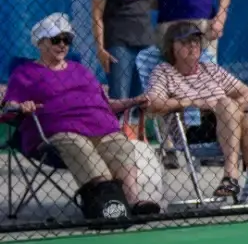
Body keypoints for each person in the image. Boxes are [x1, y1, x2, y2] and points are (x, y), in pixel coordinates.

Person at [3, 14, 157, 221]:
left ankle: (132, 201)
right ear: (40, 43)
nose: (62, 45)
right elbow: (9, 106)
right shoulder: (25, 73)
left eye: (67, 40)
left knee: (120, 144)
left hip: (101, 127)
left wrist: (133, 100)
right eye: (56, 40)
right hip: (57, 132)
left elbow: (106, 104)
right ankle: (108, 201)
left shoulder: (81, 70)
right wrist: (22, 107)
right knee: (78, 144)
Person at [145, 20, 248, 210]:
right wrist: (191, 103)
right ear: (171, 47)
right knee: (239, 112)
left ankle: (243, 183)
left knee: (241, 113)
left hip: (229, 122)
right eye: (185, 42)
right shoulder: (164, 72)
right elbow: (153, 103)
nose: (193, 45)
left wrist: (232, 106)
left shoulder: (210, 69)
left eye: (196, 41)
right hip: (193, 128)